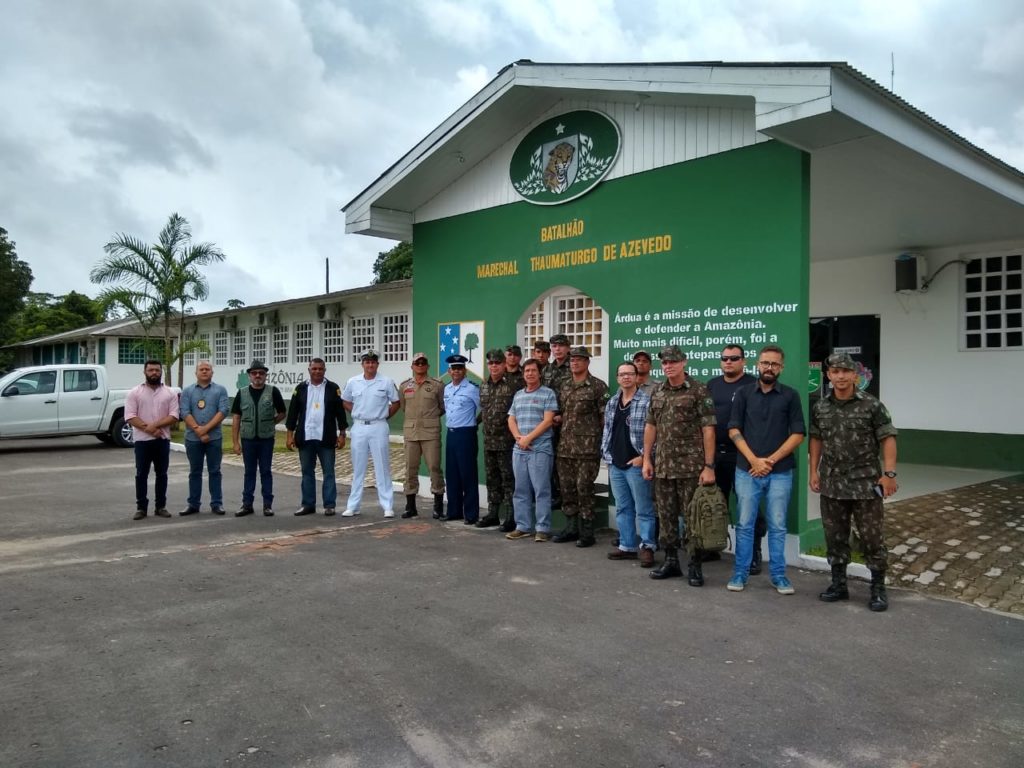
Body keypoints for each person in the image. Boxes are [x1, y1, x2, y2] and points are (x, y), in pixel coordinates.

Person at [809, 352, 898, 612]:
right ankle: (839, 584)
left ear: (854, 375)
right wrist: (813, 471)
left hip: (866, 484)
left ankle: (878, 588)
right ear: (828, 375)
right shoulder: (821, 407)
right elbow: (816, 439)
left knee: (872, 539)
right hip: (833, 484)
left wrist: (889, 474)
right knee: (835, 537)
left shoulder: (871, 405)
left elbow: (888, 437)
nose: (840, 376)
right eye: (835, 372)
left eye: (845, 372)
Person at [726, 344, 806, 595]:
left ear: (781, 367)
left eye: (774, 364)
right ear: (757, 365)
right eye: (765, 363)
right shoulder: (743, 393)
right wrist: (754, 461)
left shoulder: (790, 396)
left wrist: (768, 461)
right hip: (746, 471)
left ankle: (779, 576)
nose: (769, 368)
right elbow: (733, 429)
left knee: (778, 525)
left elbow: (798, 434)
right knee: (745, 524)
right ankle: (740, 574)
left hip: (780, 472)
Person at [642, 345, 717, 586]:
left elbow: (708, 428)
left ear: (684, 362)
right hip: (663, 466)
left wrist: (708, 465)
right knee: (665, 517)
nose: (669, 366)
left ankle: (694, 565)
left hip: (690, 467)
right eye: (665, 363)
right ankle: (671, 561)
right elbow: (651, 426)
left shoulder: (698, 390)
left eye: (673, 362)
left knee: (692, 518)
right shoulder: (658, 392)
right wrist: (646, 459)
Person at [706, 345, 760, 568]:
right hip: (715, 455)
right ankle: (711, 547)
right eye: (724, 358)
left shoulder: (752, 385)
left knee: (748, 506)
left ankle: (753, 554)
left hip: (743, 456)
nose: (728, 362)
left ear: (743, 361)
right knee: (714, 505)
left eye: (734, 358)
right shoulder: (713, 385)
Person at [551, 346, 609, 547]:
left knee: (584, 487)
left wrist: (602, 443)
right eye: (572, 360)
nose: (574, 363)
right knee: (567, 489)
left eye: (579, 359)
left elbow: (604, 419)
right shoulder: (565, 386)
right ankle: (571, 527)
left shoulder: (598, 386)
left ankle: (586, 531)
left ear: (587, 362)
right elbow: (561, 411)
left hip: (587, 448)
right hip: (565, 447)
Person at [602, 361, 656, 566]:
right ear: (617, 378)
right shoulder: (612, 402)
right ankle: (627, 546)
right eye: (622, 374)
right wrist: (607, 456)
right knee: (623, 508)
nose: (626, 377)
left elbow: (656, 432)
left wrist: (644, 457)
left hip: (637, 464)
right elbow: (607, 430)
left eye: (629, 374)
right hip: (616, 464)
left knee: (644, 508)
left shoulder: (646, 402)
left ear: (636, 377)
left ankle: (648, 546)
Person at [342, 350, 401, 518]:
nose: (370, 365)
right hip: (359, 426)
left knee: (382, 466)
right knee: (358, 467)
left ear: (377, 364)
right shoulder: (353, 382)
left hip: (379, 425)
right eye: (367, 362)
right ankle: (353, 506)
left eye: (373, 362)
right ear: (362, 364)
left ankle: (387, 505)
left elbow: (396, 402)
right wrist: (357, 412)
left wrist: (385, 415)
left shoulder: (386, 381)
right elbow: (345, 401)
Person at [286, 358, 347, 516]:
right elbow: (293, 413)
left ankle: (329, 505)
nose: (317, 371)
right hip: (305, 437)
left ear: (324, 370)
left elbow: (340, 413)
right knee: (307, 471)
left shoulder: (333, 388)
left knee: (329, 472)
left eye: (320, 369)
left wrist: (342, 434)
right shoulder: (300, 388)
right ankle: (308, 504)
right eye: (314, 369)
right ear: (309, 370)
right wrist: (289, 435)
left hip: (325, 438)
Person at [506, 358, 558, 541]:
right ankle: (523, 526)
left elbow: (548, 421)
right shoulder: (518, 395)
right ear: (523, 374)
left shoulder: (548, 393)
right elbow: (511, 419)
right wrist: (519, 437)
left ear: (539, 373)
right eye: (526, 371)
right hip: (519, 449)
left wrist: (529, 438)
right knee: (520, 490)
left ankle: (542, 528)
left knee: (541, 489)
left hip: (540, 449)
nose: (529, 373)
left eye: (533, 370)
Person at [125, 359, 180, 520]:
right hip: (142, 441)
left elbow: (174, 416)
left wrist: (153, 427)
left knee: (161, 474)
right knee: (141, 474)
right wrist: (148, 429)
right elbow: (129, 416)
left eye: (157, 370)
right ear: (145, 372)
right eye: (151, 370)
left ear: (161, 371)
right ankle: (141, 508)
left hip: (162, 440)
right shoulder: (134, 393)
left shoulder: (170, 393)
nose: (154, 373)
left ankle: (160, 506)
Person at [231, 360, 286, 516]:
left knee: (266, 471)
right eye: (254, 373)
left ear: (265, 375)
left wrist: (270, 423)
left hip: (266, 439)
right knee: (249, 472)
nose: (258, 376)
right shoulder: (241, 393)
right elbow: (236, 418)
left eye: (261, 373)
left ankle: (267, 505)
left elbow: (282, 412)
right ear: (249, 375)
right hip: (248, 438)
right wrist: (235, 442)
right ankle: (247, 504)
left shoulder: (273, 391)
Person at [477, 348, 523, 530]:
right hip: (489, 441)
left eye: (497, 363)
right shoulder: (484, 385)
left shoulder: (514, 385)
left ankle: (511, 516)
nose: (494, 366)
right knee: (492, 478)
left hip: (507, 441)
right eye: (491, 363)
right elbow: (485, 410)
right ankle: (493, 513)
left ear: (504, 364)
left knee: (508, 480)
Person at [179, 360, 230, 516]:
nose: (205, 371)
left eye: (208, 369)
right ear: (196, 373)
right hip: (192, 439)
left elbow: (223, 411)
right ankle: (193, 504)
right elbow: (184, 412)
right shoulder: (187, 391)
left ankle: (217, 503)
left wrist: (205, 430)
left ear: (212, 372)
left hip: (214, 438)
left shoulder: (220, 390)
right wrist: (198, 430)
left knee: (215, 471)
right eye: (201, 369)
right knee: (195, 472)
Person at [398, 352, 445, 519]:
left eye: (423, 363)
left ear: (428, 366)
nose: (420, 366)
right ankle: (410, 506)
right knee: (410, 469)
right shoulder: (404, 386)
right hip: (411, 433)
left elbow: (442, 407)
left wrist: (428, 420)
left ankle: (438, 506)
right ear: (412, 366)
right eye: (417, 363)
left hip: (430, 433)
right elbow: (404, 407)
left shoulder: (437, 385)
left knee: (434, 468)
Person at [442, 354, 481, 523]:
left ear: (465, 370)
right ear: (449, 371)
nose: (456, 371)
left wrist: (474, 422)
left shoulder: (472, 389)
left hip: (466, 434)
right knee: (452, 475)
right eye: (453, 368)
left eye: (459, 368)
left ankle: (471, 514)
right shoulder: (447, 389)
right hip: (451, 434)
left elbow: (485, 409)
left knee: (468, 475)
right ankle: (454, 511)